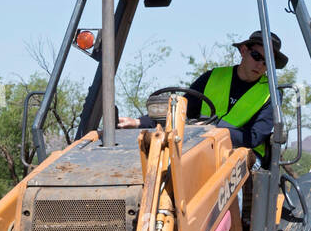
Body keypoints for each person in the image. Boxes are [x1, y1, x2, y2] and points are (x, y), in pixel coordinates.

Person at [119, 30, 287, 160]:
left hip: (243, 154)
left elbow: (253, 138)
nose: (260, 64)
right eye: (257, 56)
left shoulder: (271, 93)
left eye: (267, 62)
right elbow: (180, 110)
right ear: (243, 50)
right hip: (200, 146)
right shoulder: (214, 77)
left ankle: (230, 207)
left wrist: (210, 130)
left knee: (228, 173)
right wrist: (138, 122)